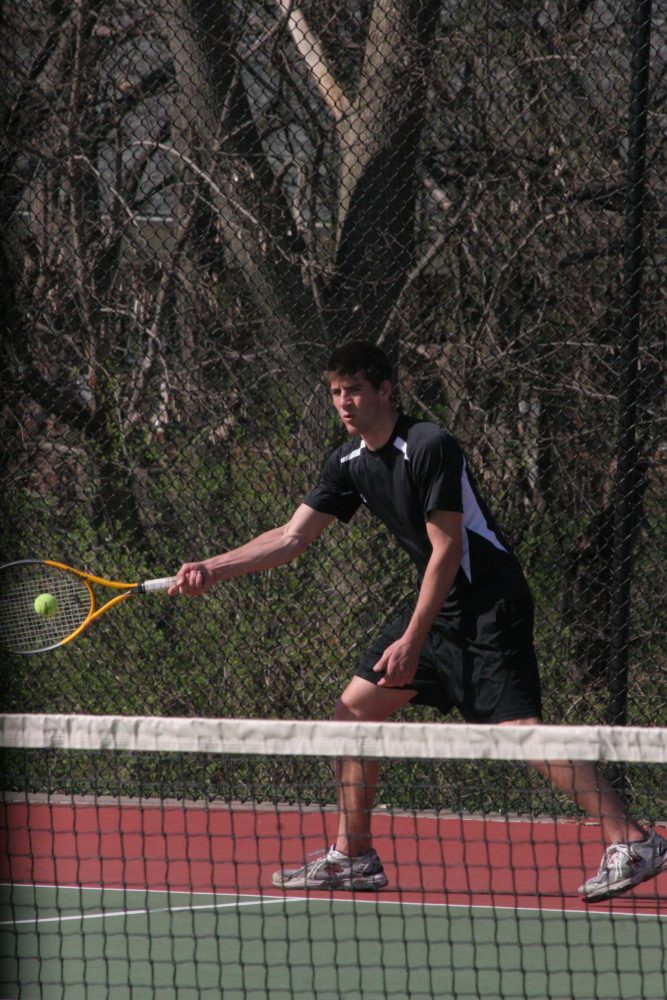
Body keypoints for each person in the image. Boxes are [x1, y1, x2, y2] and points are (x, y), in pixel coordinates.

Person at [168, 340, 667, 903]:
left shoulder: (429, 445)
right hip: (440, 608)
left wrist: (413, 637)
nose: (344, 402)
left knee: (519, 733)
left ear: (385, 390)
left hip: (487, 605)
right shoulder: (349, 461)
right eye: (335, 392)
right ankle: (353, 856)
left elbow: (447, 548)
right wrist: (213, 567)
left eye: (354, 389)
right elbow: (291, 538)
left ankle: (634, 840)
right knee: (353, 710)